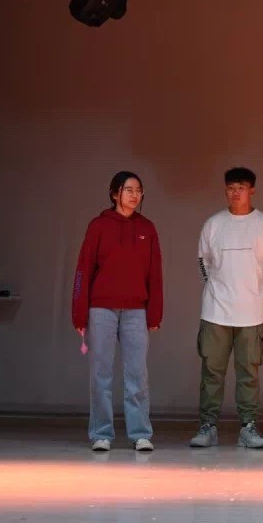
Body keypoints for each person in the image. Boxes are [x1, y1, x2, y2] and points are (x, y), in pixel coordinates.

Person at [189, 167, 263, 449]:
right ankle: (208, 425)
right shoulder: (214, 224)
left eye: (241, 187)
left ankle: (248, 426)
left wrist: (261, 293)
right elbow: (203, 261)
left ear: (252, 190)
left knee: (248, 373)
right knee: (212, 372)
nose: (235, 193)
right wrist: (215, 289)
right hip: (215, 311)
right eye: (230, 188)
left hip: (250, 314)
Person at [71, 171, 163, 452]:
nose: (134, 195)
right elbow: (83, 270)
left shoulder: (147, 228)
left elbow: (155, 274)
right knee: (101, 375)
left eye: (138, 190)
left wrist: (155, 314)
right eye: (128, 190)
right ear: (114, 194)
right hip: (101, 309)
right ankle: (101, 434)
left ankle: (140, 433)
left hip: (136, 310)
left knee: (137, 375)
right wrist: (79, 313)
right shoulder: (99, 226)